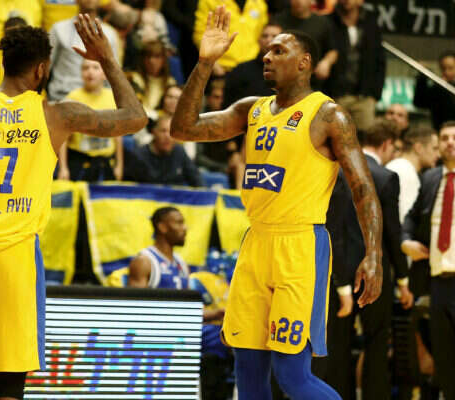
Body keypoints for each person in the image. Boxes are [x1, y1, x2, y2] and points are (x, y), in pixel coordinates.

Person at [0, 17, 147, 400]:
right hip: (18, 256)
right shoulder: (57, 116)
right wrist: (106, 58)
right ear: (41, 69)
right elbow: (135, 117)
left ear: (3, 63)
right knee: (10, 382)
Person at [170, 6, 383, 399]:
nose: (267, 56)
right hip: (256, 243)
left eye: (279, 50)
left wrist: (374, 254)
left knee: (292, 376)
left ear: (305, 63)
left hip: (299, 245)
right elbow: (182, 128)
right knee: (248, 374)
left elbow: (363, 189)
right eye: (266, 50)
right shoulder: (250, 110)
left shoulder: (328, 115)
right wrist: (204, 64)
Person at [325, 119, 413, 400]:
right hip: (374, 273)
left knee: (338, 346)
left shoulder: (337, 172)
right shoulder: (386, 178)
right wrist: (403, 280)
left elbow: (332, 228)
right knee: (376, 343)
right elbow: (392, 234)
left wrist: (339, 279)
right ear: (386, 144)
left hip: (339, 271)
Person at [402, 121, 455, 400]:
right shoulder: (431, 178)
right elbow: (410, 218)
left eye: (454, 138)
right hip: (438, 283)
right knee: (444, 359)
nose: (449, 142)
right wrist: (405, 241)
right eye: (444, 138)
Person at [57, 59, 123, 182]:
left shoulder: (113, 97)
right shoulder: (72, 98)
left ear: (104, 74)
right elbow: (63, 137)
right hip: (79, 162)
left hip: (105, 162)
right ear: (81, 73)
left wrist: (119, 165)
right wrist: (63, 168)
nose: (90, 72)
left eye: (95, 67)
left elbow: (118, 135)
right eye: (85, 68)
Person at [325, 0, 386, 131]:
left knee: (365, 138)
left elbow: (379, 60)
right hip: (335, 95)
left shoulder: (370, 22)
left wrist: (375, 95)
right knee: (333, 136)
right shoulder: (328, 22)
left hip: (364, 97)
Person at [47, 0, 120, 101]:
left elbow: (113, 74)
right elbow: (45, 67)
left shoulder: (109, 34)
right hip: (61, 97)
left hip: (97, 100)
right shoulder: (58, 29)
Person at [127, 115, 203, 187]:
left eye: (171, 132)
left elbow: (197, 180)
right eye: (163, 131)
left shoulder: (179, 151)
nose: (167, 136)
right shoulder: (139, 156)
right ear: (153, 132)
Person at [386, 125, 439, 223]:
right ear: (418, 148)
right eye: (435, 148)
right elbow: (405, 220)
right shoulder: (406, 172)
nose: (438, 155)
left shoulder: (398, 166)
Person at [127, 206, 190, 289]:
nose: (185, 228)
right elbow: (135, 297)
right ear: (162, 227)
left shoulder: (182, 263)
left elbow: (189, 296)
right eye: (179, 223)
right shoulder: (144, 262)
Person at [414, 52, 455, 131]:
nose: (446, 72)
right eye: (443, 68)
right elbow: (419, 102)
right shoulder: (437, 88)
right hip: (441, 130)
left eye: (450, 68)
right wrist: (422, 77)